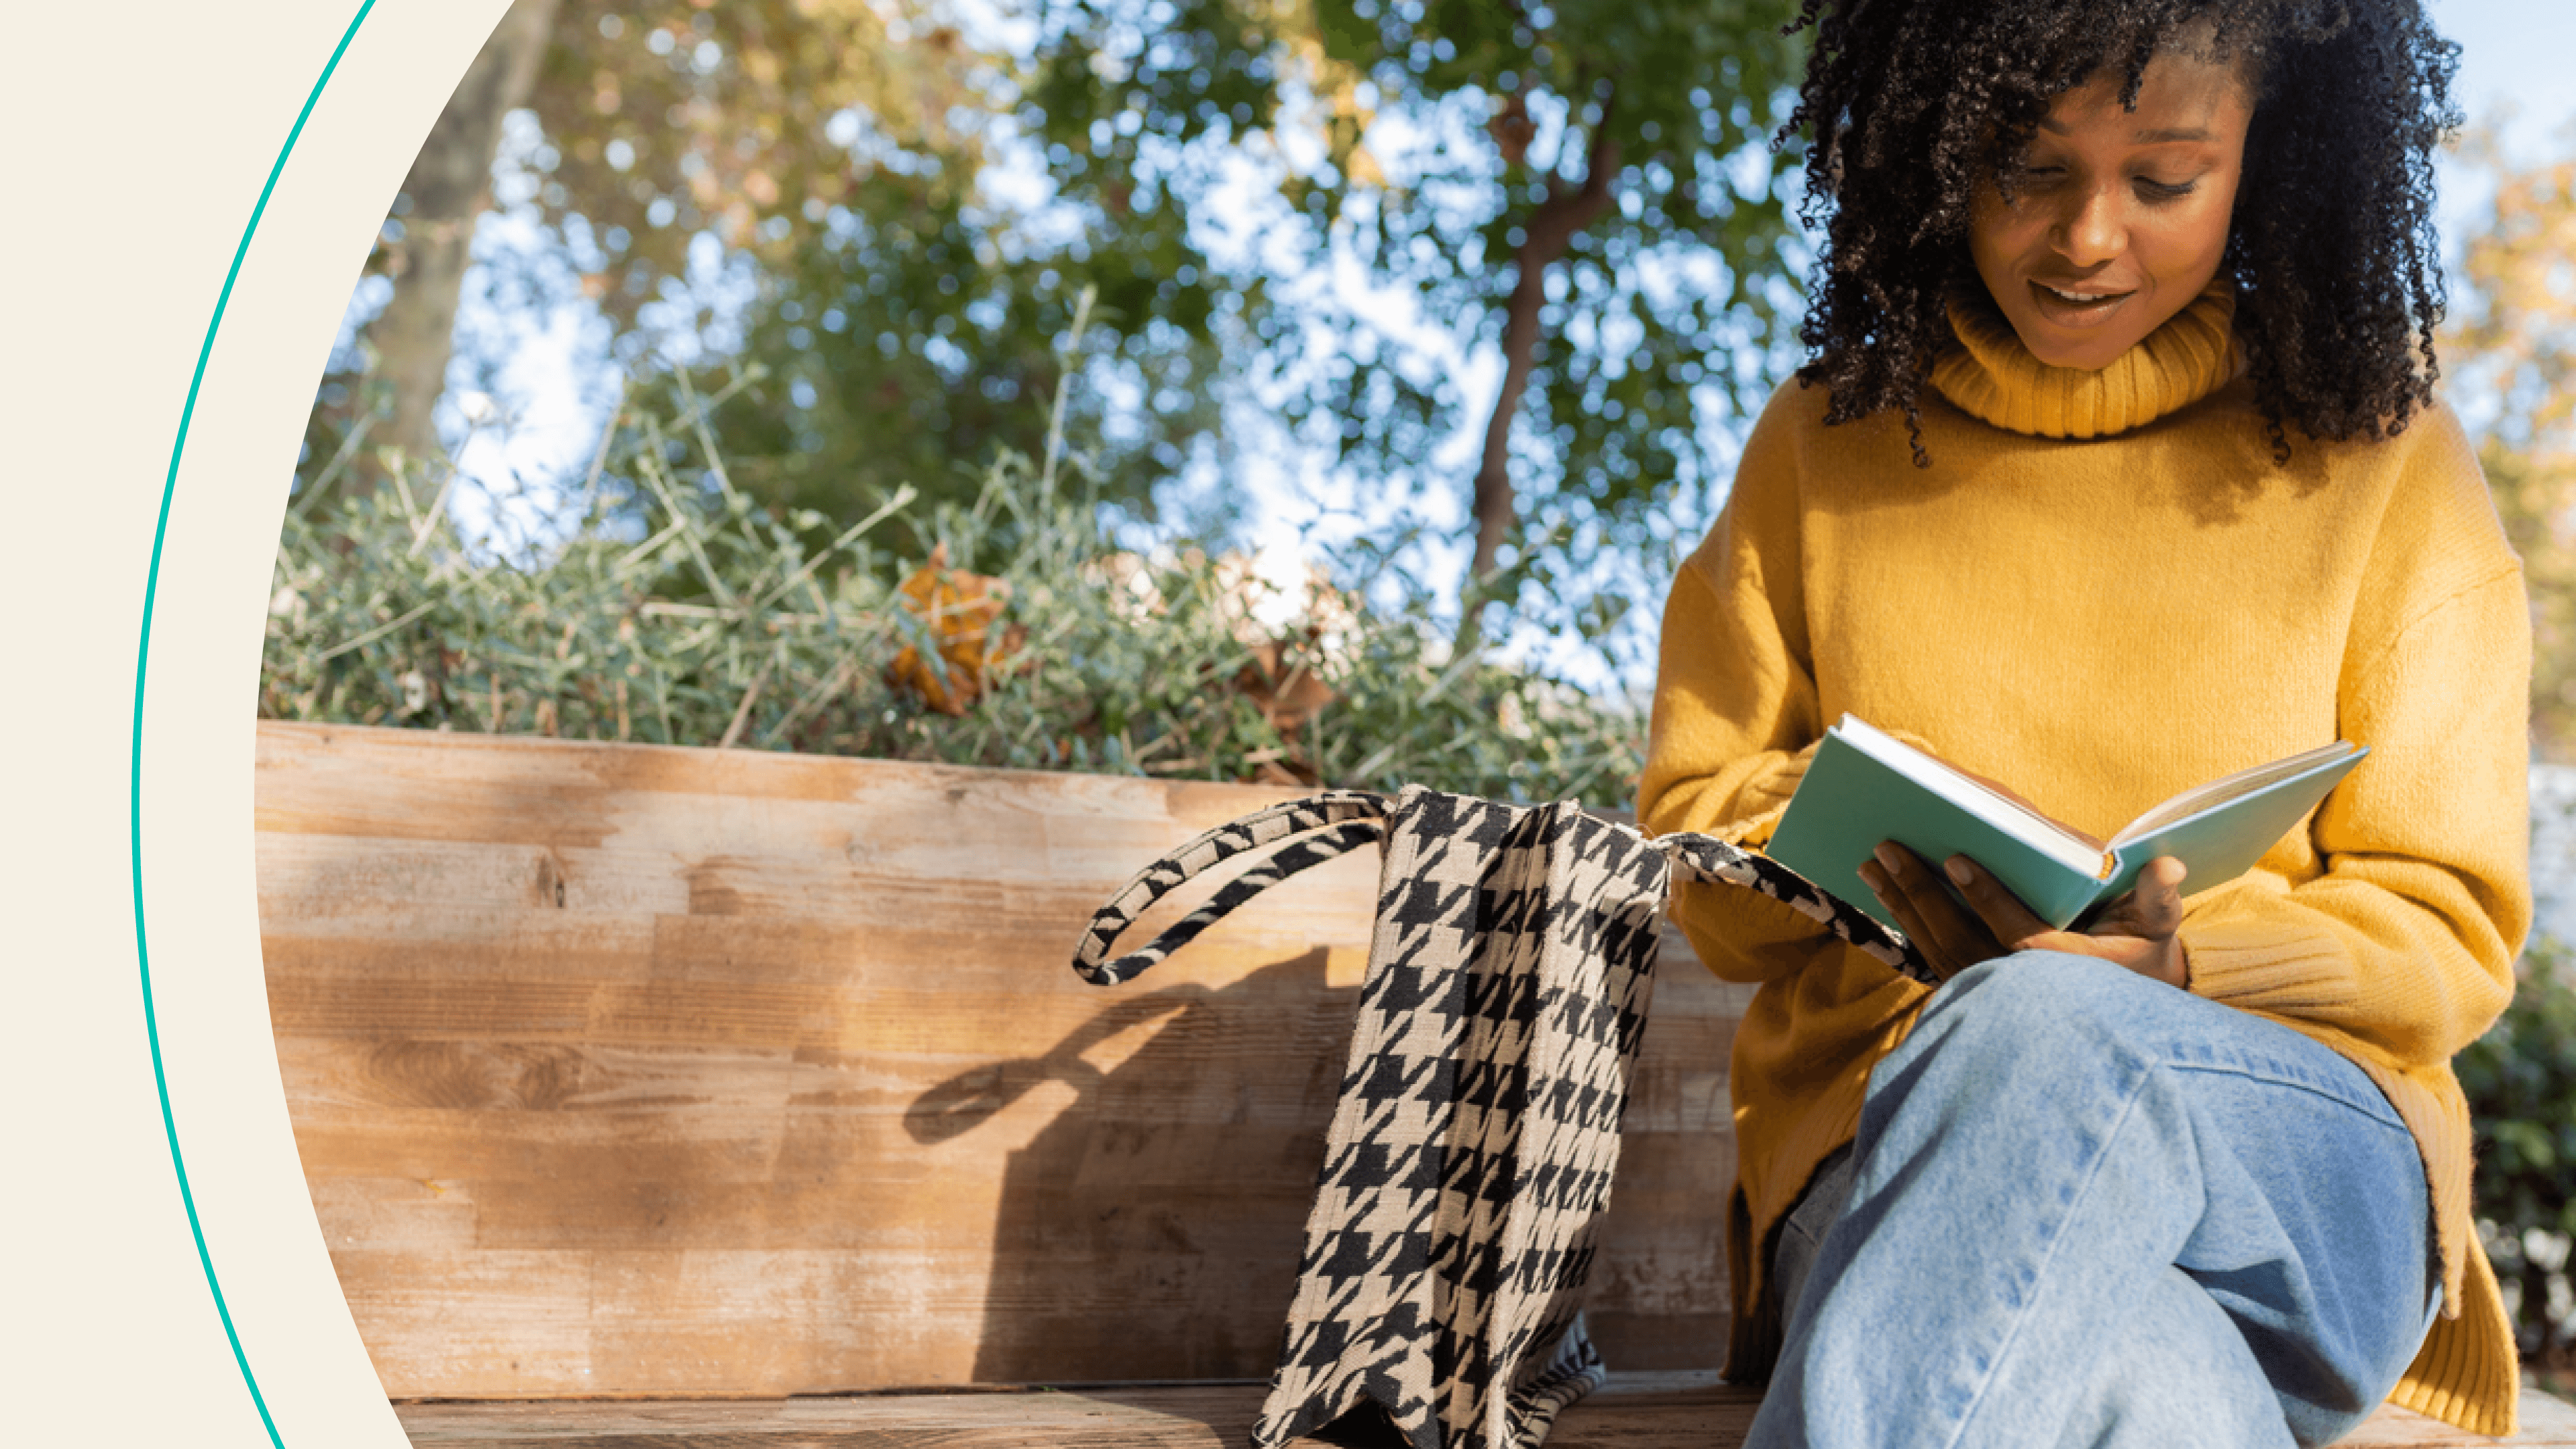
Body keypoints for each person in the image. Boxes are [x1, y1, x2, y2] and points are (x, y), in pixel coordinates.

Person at [1636, 1, 2531, 1444]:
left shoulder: (2388, 459)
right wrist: (1852, 851)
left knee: (2051, 1020)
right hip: (1892, 1170)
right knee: (2149, 1387)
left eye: (2165, 181)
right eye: (2024, 166)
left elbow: (2452, 936)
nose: (2087, 238)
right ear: (1932, 148)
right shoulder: (1828, 443)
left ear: (2271, 160)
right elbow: (1702, 868)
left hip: (2301, 1166)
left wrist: (2182, 964)